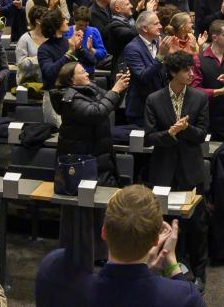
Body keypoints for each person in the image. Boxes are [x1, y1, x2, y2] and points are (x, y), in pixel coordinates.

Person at [35, 185, 204, 307]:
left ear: (103, 232)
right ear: (155, 240)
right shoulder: (183, 296)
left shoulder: (57, 281)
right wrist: (171, 263)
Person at [143, 51, 211, 287]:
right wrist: (170, 134)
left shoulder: (199, 98)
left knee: (196, 224)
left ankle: (199, 271)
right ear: (173, 73)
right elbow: (149, 137)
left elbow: (202, 133)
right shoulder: (154, 99)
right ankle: (165, 270)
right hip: (163, 170)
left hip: (191, 168)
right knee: (165, 223)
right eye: (186, 70)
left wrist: (185, 129)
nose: (191, 74)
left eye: (192, 69)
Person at [51, 62, 131, 183]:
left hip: (98, 152)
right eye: (83, 72)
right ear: (72, 80)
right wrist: (115, 90)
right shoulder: (69, 98)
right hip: (81, 158)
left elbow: (111, 104)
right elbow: (96, 114)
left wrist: (119, 86)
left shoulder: (89, 88)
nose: (87, 73)